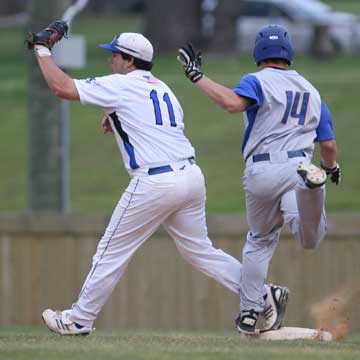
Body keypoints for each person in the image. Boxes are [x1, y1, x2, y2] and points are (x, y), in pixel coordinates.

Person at [28, 22, 287, 336]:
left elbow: (62, 88)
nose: (110, 60)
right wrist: (116, 116)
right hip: (191, 177)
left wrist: (42, 50)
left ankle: (79, 319)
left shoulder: (120, 84)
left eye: (115, 55)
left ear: (129, 61)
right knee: (199, 251)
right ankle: (261, 295)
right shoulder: (163, 88)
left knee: (111, 252)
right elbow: (158, 125)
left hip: (156, 181)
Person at [177, 24, 341, 334]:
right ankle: (312, 190)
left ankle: (250, 312)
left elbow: (231, 103)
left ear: (258, 54)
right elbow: (329, 145)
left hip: (261, 170)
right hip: (298, 168)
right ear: (288, 54)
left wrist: (197, 76)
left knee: (259, 242)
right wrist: (330, 168)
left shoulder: (256, 81)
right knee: (309, 239)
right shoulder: (311, 91)